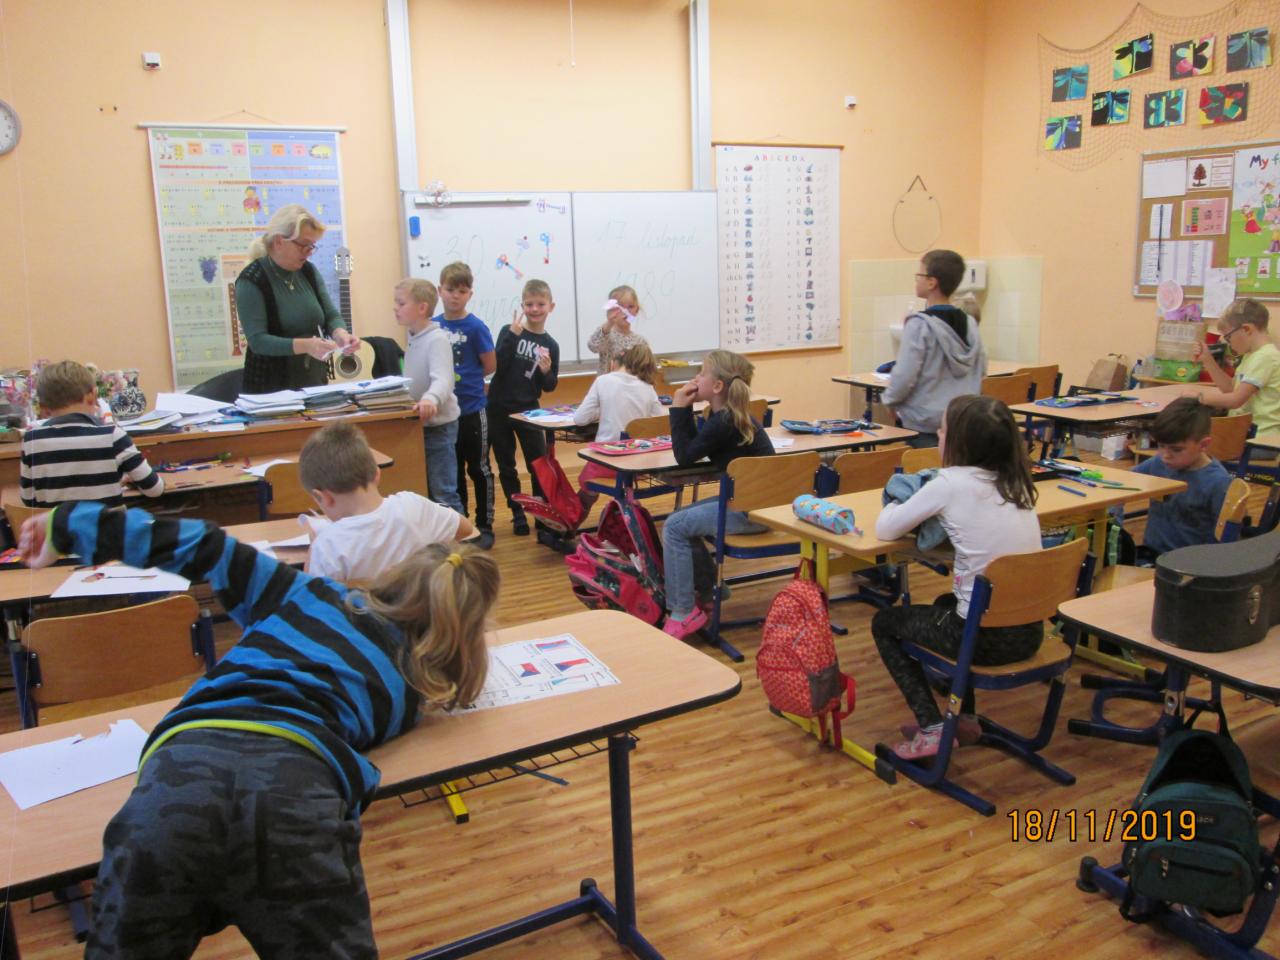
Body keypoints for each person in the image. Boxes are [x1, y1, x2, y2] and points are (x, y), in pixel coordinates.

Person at [18, 502, 498, 960]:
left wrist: (67, 526)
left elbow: (206, 545)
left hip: (178, 780)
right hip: (295, 797)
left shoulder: (307, 594)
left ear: (394, 575)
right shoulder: (413, 687)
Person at [871, 394, 1043, 760]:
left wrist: (897, 499)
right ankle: (964, 719)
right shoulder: (1017, 484)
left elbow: (886, 529)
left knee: (885, 623)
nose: (938, 434)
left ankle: (933, 728)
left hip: (980, 640)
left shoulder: (948, 483)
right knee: (945, 603)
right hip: (1029, 633)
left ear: (960, 442)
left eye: (943, 430)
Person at [660, 350, 774, 639]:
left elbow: (684, 456)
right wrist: (685, 411)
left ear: (718, 386)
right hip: (753, 504)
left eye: (702, 373)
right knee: (681, 520)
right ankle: (712, 591)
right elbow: (691, 450)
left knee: (674, 527)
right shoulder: (725, 417)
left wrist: (678, 408)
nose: (696, 378)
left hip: (751, 512)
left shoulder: (724, 421)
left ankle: (683, 612)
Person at [299, 421, 474, 582]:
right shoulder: (412, 505)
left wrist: (315, 545)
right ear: (377, 474)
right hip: (424, 604)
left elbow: (310, 595)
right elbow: (466, 529)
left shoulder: (327, 545)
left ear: (324, 497)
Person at [235, 203, 362, 392]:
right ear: (279, 241)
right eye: (303, 245)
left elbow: (331, 315)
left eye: (312, 246)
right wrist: (306, 346)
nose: (309, 252)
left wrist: (341, 334)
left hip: (311, 380)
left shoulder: (308, 271)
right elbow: (258, 341)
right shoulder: (251, 280)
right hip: (270, 389)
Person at [19, 360, 164, 506]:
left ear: (43, 407)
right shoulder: (113, 436)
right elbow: (154, 489)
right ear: (92, 396)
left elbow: (28, 500)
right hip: (105, 521)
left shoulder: (31, 440)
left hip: (56, 521)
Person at [882, 249, 986, 447]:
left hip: (925, 422)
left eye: (919, 275)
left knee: (924, 466)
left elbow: (905, 374)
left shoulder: (919, 325)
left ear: (931, 282)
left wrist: (890, 400)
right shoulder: (970, 323)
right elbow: (981, 369)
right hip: (962, 420)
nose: (917, 280)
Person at [486, 279, 561, 540]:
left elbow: (550, 386)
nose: (534, 309)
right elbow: (498, 365)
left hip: (529, 412)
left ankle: (539, 512)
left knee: (537, 464)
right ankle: (517, 512)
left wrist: (546, 371)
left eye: (540, 304)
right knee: (506, 465)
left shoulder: (551, 344)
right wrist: (512, 336)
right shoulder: (510, 331)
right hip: (498, 408)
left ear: (550, 306)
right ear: (522, 305)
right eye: (529, 304)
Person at [437, 261, 497, 549]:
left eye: (461, 291)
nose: (455, 296)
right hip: (444, 413)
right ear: (440, 290)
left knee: (479, 468)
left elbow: (489, 365)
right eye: (450, 290)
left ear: (469, 294)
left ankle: (484, 524)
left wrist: (467, 381)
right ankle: (462, 525)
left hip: (473, 409)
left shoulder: (475, 327)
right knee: (453, 471)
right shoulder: (433, 326)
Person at [1129, 397, 1233, 561]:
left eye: (1176, 449)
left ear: (1203, 445)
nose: (1165, 455)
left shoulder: (1218, 482)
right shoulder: (1158, 462)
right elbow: (1124, 481)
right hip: (1151, 555)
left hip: (1190, 564)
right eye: (1161, 446)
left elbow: (1225, 539)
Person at [573, 342, 666, 512]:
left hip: (608, 461)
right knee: (622, 481)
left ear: (616, 362)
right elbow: (659, 424)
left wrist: (602, 410)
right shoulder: (648, 388)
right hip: (638, 466)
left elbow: (580, 419)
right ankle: (628, 510)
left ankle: (572, 520)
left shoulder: (603, 381)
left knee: (586, 483)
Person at [397, 277, 463, 512]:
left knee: (443, 494)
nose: (395, 308)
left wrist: (430, 398)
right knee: (426, 493)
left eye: (401, 303)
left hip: (439, 429)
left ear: (422, 308)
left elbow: (444, 380)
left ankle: (462, 536)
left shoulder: (436, 339)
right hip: (420, 427)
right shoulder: (415, 337)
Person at [1194, 298, 1280, 434]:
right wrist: (1208, 360)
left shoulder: (1266, 357)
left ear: (1246, 329)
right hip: (1245, 433)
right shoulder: (1250, 356)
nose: (1229, 344)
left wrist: (1200, 398)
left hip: (1262, 438)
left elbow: (1235, 400)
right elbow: (1230, 389)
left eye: (1228, 337)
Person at [586, 285, 650, 376]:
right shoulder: (606, 335)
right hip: (608, 384)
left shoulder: (641, 341)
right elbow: (593, 346)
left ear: (637, 310)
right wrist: (609, 323)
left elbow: (646, 371)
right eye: (620, 307)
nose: (625, 312)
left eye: (630, 306)